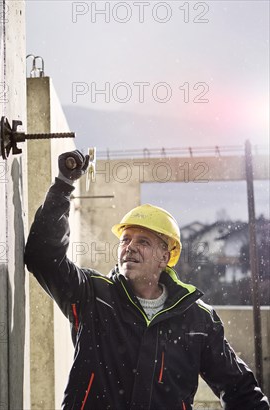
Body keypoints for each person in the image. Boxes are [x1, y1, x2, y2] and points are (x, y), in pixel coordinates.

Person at [24, 150, 269, 410]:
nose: (130, 247)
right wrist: (63, 185)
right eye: (125, 239)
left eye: (143, 241)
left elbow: (240, 390)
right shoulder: (92, 295)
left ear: (165, 257)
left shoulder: (197, 319)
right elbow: (43, 257)